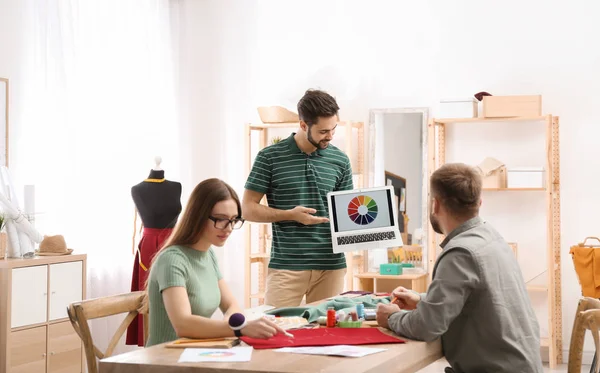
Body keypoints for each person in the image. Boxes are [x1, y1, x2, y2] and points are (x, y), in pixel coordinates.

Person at [375, 163, 543, 373]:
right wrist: (422, 300)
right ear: (479, 202)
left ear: (435, 205)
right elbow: (476, 297)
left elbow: (427, 327)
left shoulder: (460, 252)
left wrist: (391, 317)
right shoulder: (491, 237)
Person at [243, 89, 354, 308]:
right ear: (303, 125)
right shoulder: (269, 157)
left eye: (333, 128)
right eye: (323, 131)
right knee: (275, 332)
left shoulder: (340, 160)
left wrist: (370, 231)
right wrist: (289, 215)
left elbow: (347, 214)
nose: (330, 136)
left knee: (325, 335)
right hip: (287, 267)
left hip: (331, 266)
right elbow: (247, 209)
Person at [145, 178, 286, 346]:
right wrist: (240, 328)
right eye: (221, 219)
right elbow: (183, 325)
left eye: (234, 219)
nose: (229, 228)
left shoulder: (208, 253)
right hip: (164, 359)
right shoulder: (171, 260)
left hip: (195, 352)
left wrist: (235, 324)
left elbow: (231, 305)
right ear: (198, 216)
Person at [126, 162, 182, 346]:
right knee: (150, 296)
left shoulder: (176, 186)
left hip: (175, 243)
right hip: (150, 247)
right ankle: (149, 342)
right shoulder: (137, 189)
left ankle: (178, 337)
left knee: (178, 291)